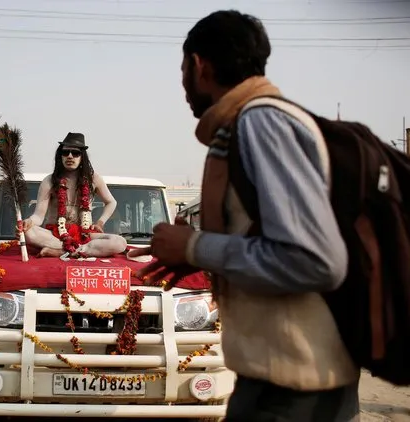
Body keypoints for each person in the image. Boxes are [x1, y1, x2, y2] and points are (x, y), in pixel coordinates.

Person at [134, 10, 360, 422]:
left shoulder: (260, 122)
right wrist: (196, 256)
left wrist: (195, 244)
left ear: (199, 66)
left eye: (183, 69)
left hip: (295, 391)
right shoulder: (251, 123)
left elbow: (316, 260)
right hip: (283, 383)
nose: (183, 84)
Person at [19, 132, 127, 258]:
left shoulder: (94, 179)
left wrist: (100, 223)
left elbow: (111, 202)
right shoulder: (49, 181)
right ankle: (73, 250)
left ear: (82, 157)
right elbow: (38, 216)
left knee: (120, 243)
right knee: (28, 233)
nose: (70, 156)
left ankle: (65, 251)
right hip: (55, 234)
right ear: (61, 156)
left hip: (85, 234)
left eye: (75, 153)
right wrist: (29, 221)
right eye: (66, 153)